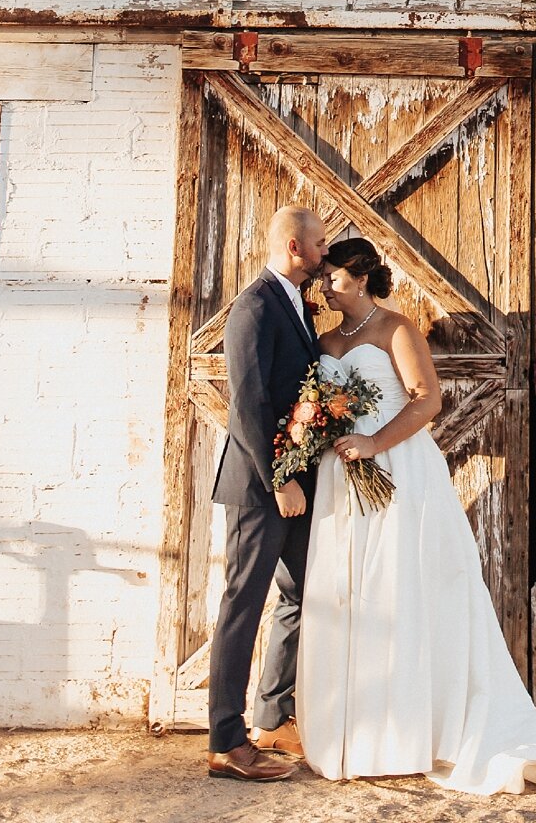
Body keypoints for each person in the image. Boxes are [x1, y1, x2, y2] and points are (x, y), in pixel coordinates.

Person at [297, 237, 536, 795]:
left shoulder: (397, 330)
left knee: (401, 591)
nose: (325, 284)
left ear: (362, 277)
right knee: (350, 595)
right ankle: (359, 731)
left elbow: (427, 400)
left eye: (333, 275)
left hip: (398, 469)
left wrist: (373, 443)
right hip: (339, 477)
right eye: (323, 276)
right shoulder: (323, 340)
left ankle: (416, 731)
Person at [206, 205, 328, 782]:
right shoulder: (254, 305)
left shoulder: (297, 303)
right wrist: (280, 479)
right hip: (261, 487)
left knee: (304, 593)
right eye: (320, 243)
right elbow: (249, 403)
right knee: (242, 605)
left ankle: (272, 718)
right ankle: (225, 743)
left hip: (296, 483)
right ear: (295, 247)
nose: (326, 252)